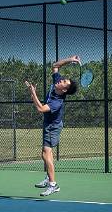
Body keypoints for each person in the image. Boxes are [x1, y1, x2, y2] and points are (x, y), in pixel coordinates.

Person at [25, 55, 80, 196]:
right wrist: (70, 60)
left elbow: (41, 109)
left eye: (64, 82)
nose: (61, 80)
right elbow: (55, 66)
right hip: (48, 123)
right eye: (63, 79)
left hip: (53, 126)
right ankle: (49, 177)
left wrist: (33, 93)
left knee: (45, 153)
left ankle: (53, 184)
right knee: (46, 154)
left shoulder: (57, 102)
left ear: (65, 90)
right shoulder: (57, 82)